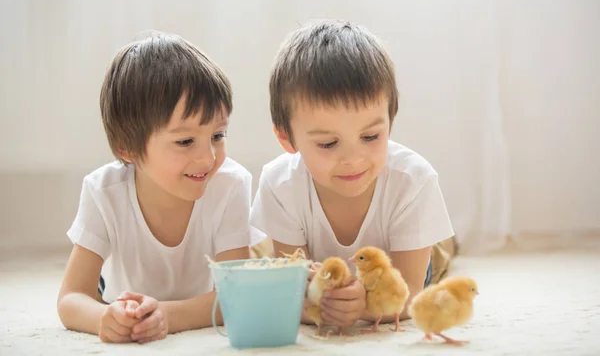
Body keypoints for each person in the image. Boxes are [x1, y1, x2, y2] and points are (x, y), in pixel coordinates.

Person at [250, 20, 456, 330]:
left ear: (390, 122)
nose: (353, 159)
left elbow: (411, 293)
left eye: (371, 136)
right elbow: (294, 292)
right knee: (264, 258)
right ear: (287, 140)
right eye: (328, 144)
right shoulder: (280, 184)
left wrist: (364, 306)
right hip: (334, 271)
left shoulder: (413, 180)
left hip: (401, 261)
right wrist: (317, 304)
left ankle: (446, 241)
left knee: (439, 253)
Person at [57, 32, 261, 343]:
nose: (208, 157)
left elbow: (234, 296)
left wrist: (165, 315)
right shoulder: (103, 192)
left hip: (186, 306)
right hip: (118, 300)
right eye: (185, 141)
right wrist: (106, 317)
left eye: (218, 136)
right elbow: (71, 298)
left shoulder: (230, 185)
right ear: (128, 148)